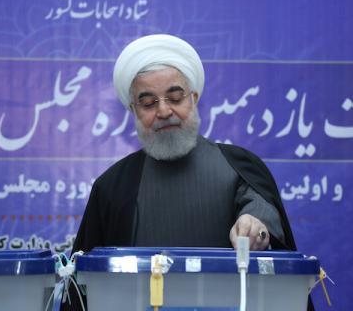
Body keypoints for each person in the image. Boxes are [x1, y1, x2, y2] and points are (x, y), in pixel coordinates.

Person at [64, 34, 312, 310]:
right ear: (134, 111)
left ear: (193, 99)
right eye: (148, 103)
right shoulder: (112, 186)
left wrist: (255, 225)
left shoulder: (238, 165)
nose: (163, 110)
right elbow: (81, 287)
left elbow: (261, 210)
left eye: (175, 96)